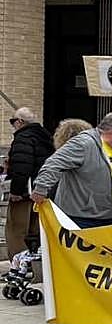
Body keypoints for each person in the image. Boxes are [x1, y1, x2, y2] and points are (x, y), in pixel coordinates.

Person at [31, 112, 112, 228]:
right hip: (81, 218)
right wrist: (41, 189)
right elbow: (54, 163)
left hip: (110, 216)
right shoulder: (83, 144)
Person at [5, 108, 53, 258]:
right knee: (35, 229)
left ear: (20, 121)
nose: (13, 125)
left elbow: (22, 167)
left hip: (25, 192)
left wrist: (16, 192)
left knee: (17, 229)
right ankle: (35, 261)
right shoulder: (45, 137)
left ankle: (18, 265)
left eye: (13, 121)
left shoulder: (23, 138)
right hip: (42, 191)